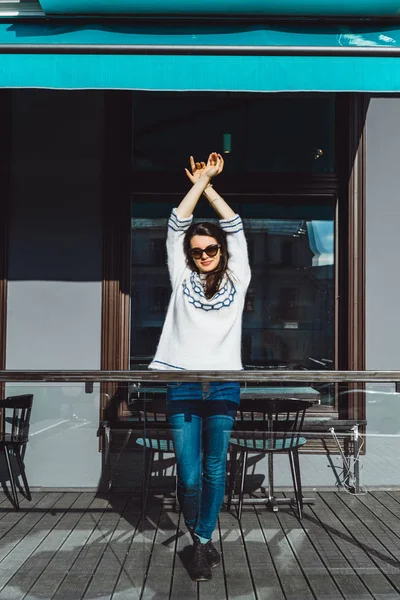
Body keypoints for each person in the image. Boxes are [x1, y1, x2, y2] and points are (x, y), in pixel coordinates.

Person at [149, 152, 251, 581]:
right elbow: (176, 223)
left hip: (224, 385)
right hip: (183, 385)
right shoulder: (181, 277)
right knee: (189, 474)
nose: (205, 254)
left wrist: (211, 186)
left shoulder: (238, 276)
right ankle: (200, 538)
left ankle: (202, 541)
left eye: (211, 249)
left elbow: (235, 225)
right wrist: (196, 185)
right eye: (198, 251)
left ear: (221, 252)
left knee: (214, 469)